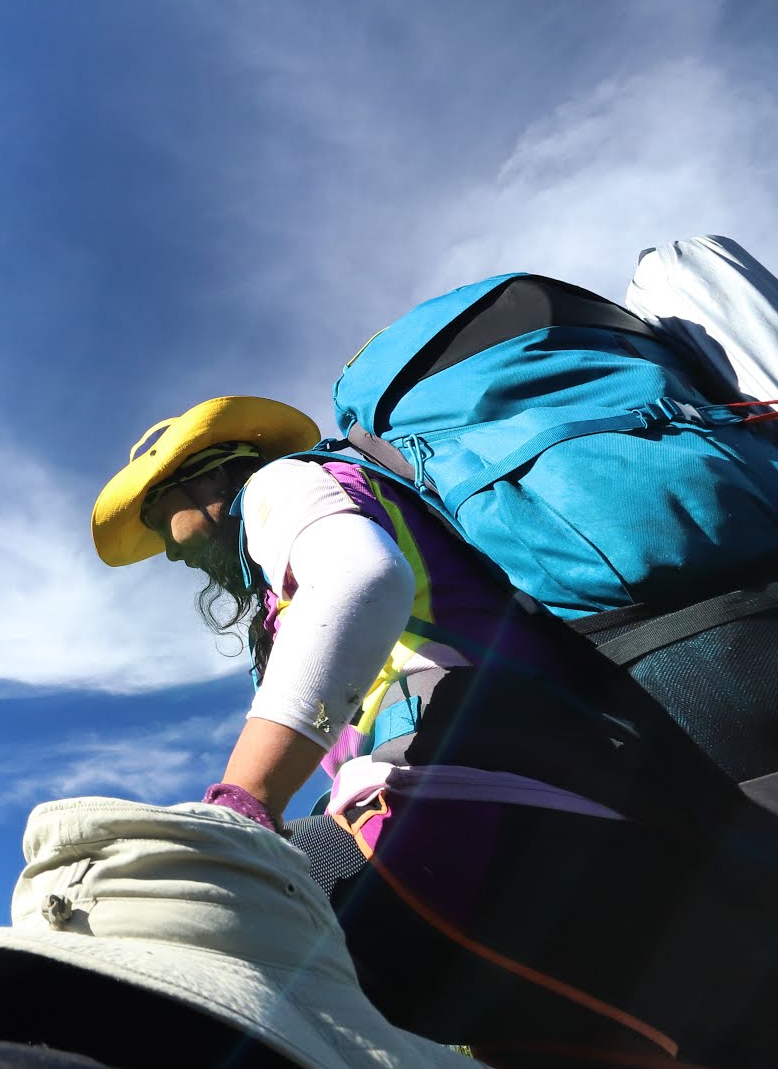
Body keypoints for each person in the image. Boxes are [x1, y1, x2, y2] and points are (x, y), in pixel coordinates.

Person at [90, 396, 778, 1065]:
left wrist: (241, 802)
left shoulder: (281, 482)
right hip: (620, 849)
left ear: (208, 477)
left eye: (158, 512)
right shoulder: (383, 506)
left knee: (145, 939)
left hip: (475, 831)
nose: (169, 551)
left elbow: (358, 578)